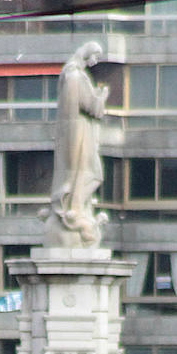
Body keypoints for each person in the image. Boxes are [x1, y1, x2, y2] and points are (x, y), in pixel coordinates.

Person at [46, 42, 109, 247]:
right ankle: (75, 208)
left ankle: (78, 207)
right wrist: (103, 96)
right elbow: (92, 107)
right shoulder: (76, 76)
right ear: (89, 55)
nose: (95, 62)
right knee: (92, 173)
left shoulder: (67, 74)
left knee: (82, 173)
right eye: (95, 57)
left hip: (72, 134)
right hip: (80, 134)